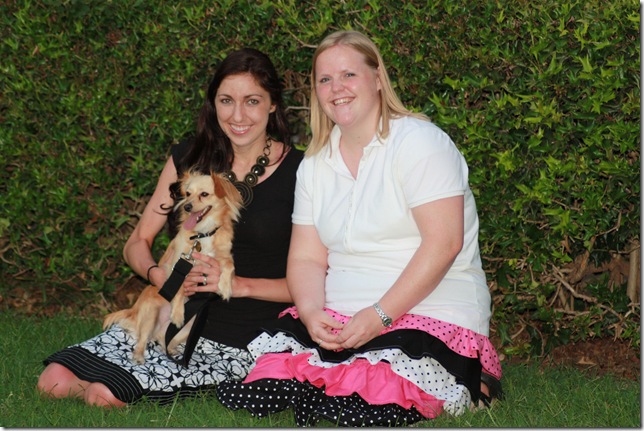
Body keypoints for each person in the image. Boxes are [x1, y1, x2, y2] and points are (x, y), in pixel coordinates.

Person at [215, 31, 503, 426]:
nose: (337, 89)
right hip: (342, 315)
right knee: (269, 385)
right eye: (325, 79)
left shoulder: (420, 143)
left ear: (378, 78)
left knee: (370, 399)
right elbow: (306, 257)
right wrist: (311, 312)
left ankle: (468, 380)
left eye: (348, 75)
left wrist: (379, 316)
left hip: (429, 308)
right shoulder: (316, 163)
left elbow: (444, 243)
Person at [37, 48, 303, 407]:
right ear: (213, 103)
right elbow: (137, 241)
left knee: (105, 395)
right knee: (52, 381)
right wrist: (158, 275)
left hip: (241, 337)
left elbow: (317, 283)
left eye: (252, 101)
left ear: (273, 104)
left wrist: (238, 285)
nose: (238, 115)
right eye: (226, 100)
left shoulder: (303, 171)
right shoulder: (189, 159)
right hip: (168, 319)